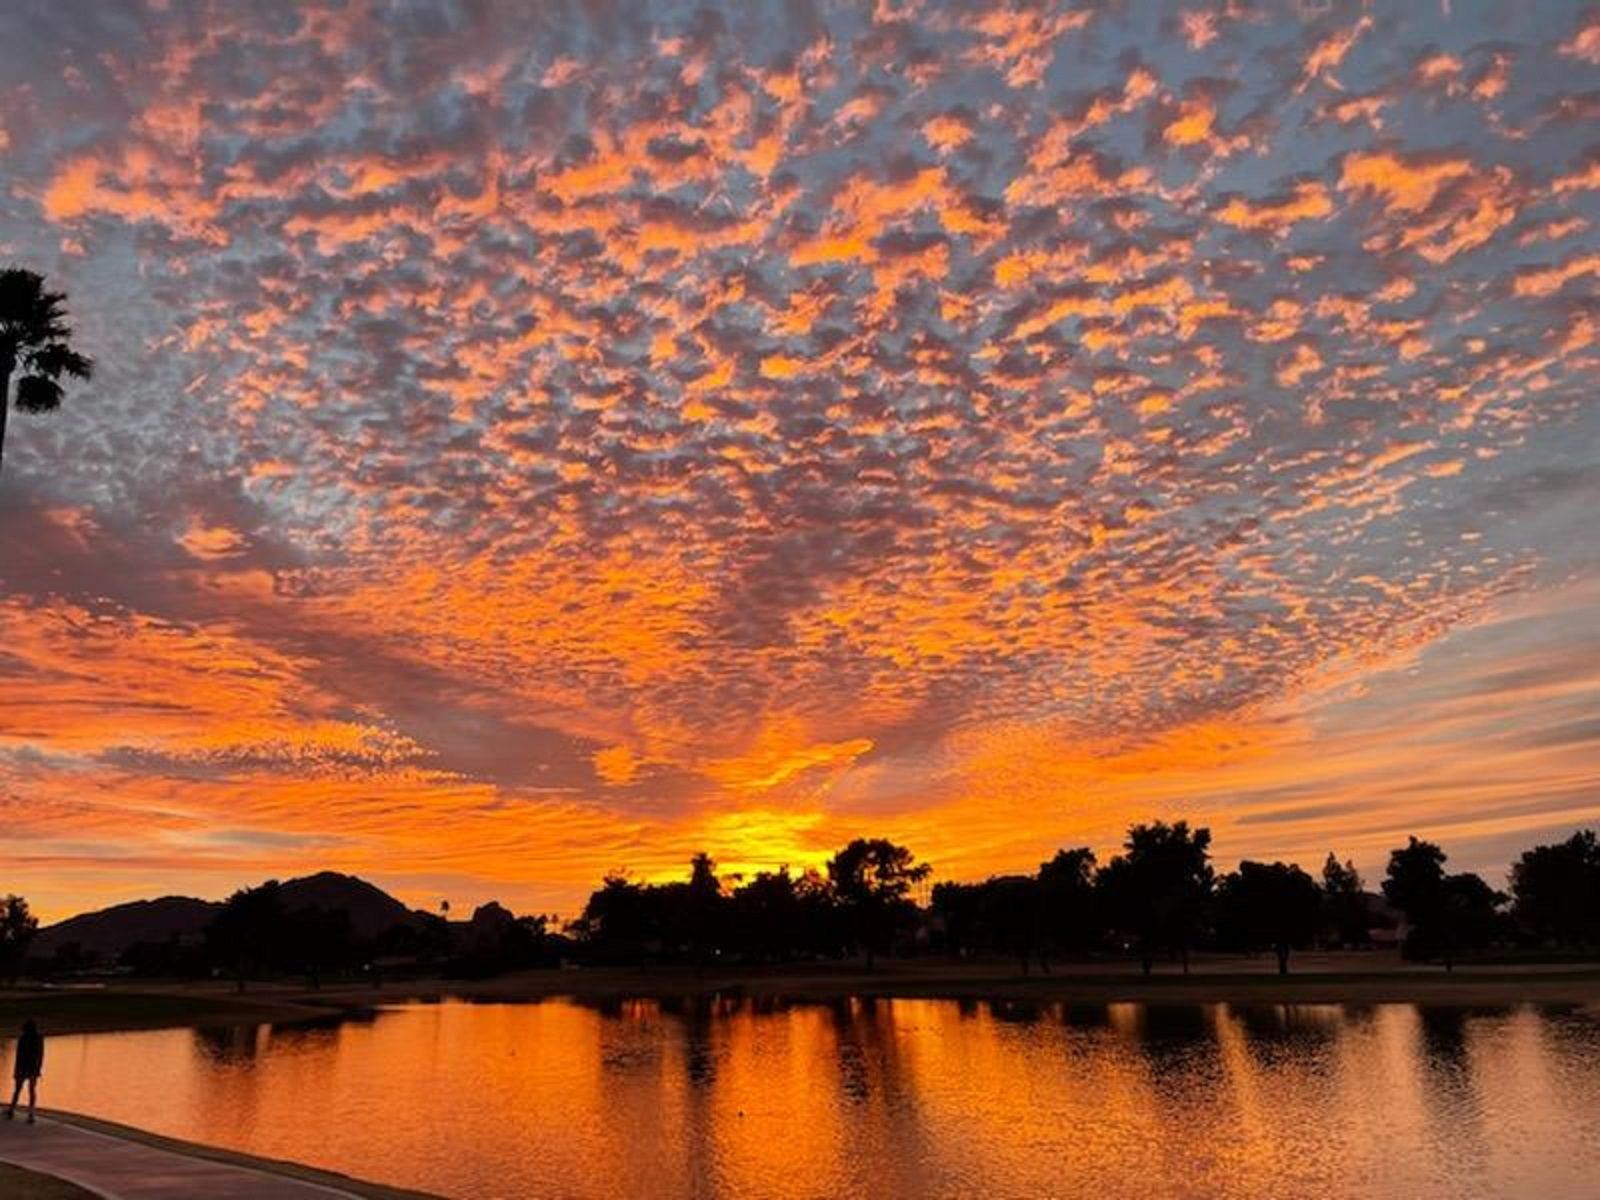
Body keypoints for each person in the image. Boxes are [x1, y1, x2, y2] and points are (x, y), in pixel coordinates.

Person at [7, 1019, 43, 1124]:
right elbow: (40, 1055)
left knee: (18, 1090)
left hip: (24, 1068)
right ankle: (30, 1114)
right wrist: (38, 1069)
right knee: (30, 1091)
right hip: (31, 1068)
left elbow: (19, 1056)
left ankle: (12, 1110)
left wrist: (16, 1071)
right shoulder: (38, 1038)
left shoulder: (23, 1039)